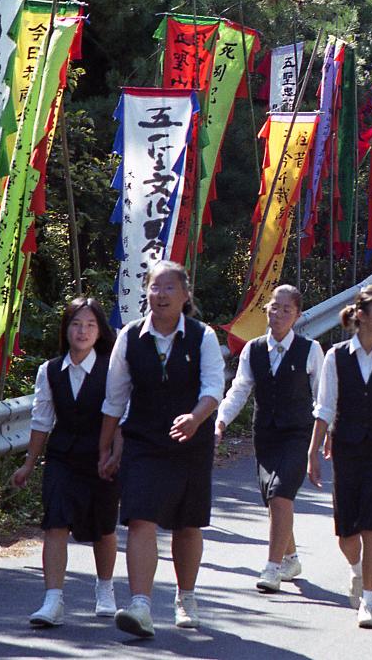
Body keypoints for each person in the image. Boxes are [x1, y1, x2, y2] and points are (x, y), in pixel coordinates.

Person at [99, 261, 226, 637]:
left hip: (191, 442)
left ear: (185, 295)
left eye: (169, 288)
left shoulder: (201, 337)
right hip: (143, 441)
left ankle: (186, 598)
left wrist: (195, 418)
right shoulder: (129, 337)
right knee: (140, 517)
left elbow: (213, 388)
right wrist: (105, 450)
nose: (160, 295)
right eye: (154, 287)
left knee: (187, 524)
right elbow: (114, 399)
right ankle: (140, 604)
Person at [12, 297, 121, 628]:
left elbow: (121, 416)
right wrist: (29, 463)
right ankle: (53, 600)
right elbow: (42, 419)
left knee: (103, 527)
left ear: (100, 331)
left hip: (101, 457)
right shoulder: (51, 370)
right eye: (76, 324)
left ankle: (105, 591)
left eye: (90, 325)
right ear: (66, 329)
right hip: (62, 456)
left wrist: (115, 455)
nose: (83, 331)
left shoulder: (113, 369)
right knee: (55, 523)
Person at [307, 285, 372, 628]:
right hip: (347, 447)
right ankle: (356, 569)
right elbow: (325, 406)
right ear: (362, 316)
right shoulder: (336, 356)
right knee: (346, 533)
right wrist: (313, 451)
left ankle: (369, 601)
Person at [215, 285, 325, 593]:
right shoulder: (253, 349)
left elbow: (323, 397)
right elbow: (239, 389)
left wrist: (323, 437)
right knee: (274, 501)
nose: (278, 315)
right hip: (265, 435)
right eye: (274, 308)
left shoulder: (310, 350)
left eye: (286, 310)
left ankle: (272, 567)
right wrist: (221, 421)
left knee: (280, 495)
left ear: (298, 315)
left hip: (298, 434)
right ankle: (290, 557)